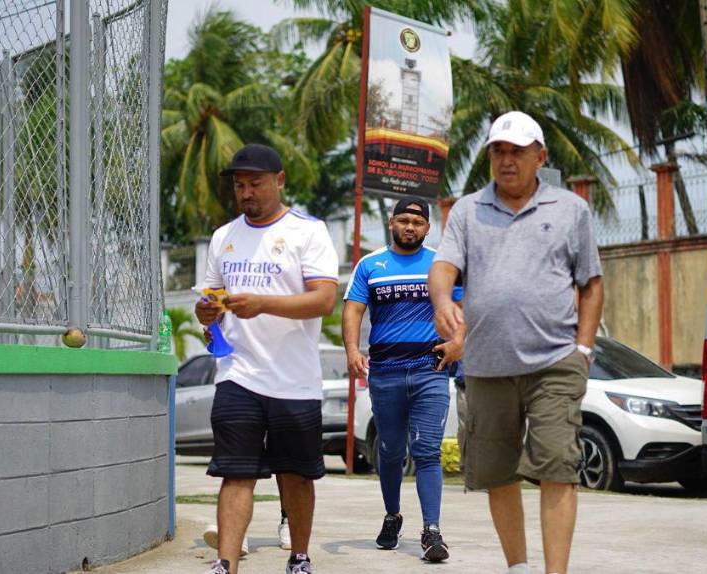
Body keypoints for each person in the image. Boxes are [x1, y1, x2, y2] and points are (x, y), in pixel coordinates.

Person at [428, 111, 604, 574]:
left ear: (540, 157)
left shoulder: (570, 209)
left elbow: (591, 284)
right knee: (496, 471)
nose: (507, 161)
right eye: (498, 151)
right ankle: (518, 567)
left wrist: (583, 350)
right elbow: (444, 265)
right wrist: (443, 299)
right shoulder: (467, 210)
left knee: (557, 467)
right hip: (486, 365)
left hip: (555, 362)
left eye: (517, 151)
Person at [194, 143, 339, 574]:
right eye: (240, 185)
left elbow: (324, 300)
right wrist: (207, 313)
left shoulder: (308, 232)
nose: (246, 193)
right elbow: (209, 301)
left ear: (279, 180)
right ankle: (226, 564)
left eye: (255, 183)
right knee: (235, 472)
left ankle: (298, 557)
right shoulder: (224, 237)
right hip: (237, 372)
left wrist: (263, 303)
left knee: (295, 474)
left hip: (294, 380)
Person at [341, 198, 463, 562]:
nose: (410, 227)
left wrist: (459, 342)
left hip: (431, 370)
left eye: (418, 222)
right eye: (404, 220)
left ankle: (432, 531)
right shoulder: (369, 265)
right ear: (392, 223)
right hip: (386, 372)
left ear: (427, 228)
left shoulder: (441, 265)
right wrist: (351, 350)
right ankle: (393, 516)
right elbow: (353, 309)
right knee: (391, 451)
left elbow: (463, 306)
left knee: (427, 451)